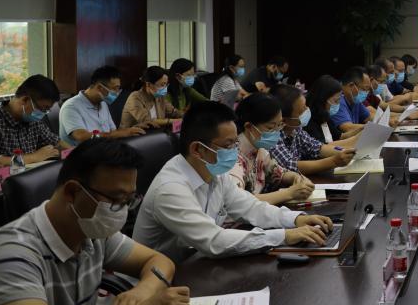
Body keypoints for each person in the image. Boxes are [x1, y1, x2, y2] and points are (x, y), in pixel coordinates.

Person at [0, 139, 190, 305]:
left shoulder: (92, 230)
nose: (122, 211)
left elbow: (159, 261)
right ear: (72, 192)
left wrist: (143, 291)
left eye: (128, 200)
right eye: (116, 200)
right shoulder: (13, 251)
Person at [133, 101, 333, 263]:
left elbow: (250, 207)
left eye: (236, 143)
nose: (234, 151)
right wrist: (285, 236)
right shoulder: (170, 189)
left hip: (196, 264)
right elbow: (214, 240)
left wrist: (295, 219)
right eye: (228, 145)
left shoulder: (213, 171)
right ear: (197, 149)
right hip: (159, 280)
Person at [231, 93, 314, 205]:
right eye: (270, 127)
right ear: (249, 127)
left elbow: (278, 172)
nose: (276, 132)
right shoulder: (233, 158)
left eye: (279, 125)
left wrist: (296, 178)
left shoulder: (258, 149)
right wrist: (289, 193)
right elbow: (239, 202)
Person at [271, 84, 356, 174]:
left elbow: (317, 147)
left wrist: (345, 152)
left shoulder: (296, 130)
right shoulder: (273, 139)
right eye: (301, 111)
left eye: (305, 106)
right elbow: (291, 166)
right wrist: (334, 161)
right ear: (284, 120)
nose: (307, 110)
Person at [59, 66, 146, 146]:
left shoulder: (103, 103)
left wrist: (132, 129)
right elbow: (81, 136)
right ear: (100, 87)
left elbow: (112, 132)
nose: (117, 93)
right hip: (82, 154)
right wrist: (116, 134)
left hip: (104, 150)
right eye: (115, 88)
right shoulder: (71, 106)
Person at [0, 74, 65, 166]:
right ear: (25, 100)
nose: (43, 113)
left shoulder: (34, 122)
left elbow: (57, 143)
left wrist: (76, 153)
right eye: (42, 108)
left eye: (47, 110)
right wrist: (33, 157)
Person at [120, 66, 181, 131]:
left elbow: (174, 112)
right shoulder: (135, 97)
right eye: (162, 85)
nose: (165, 88)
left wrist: (186, 116)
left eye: (166, 84)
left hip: (155, 133)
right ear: (148, 84)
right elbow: (148, 121)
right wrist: (174, 121)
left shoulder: (159, 96)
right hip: (132, 135)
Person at [332, 67, 374, 135]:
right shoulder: (338, 101)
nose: (366, 93)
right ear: (351, 85)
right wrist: (374, 128)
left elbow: (369, 118)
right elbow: (348, 128)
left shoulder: (354, 100)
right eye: (364, 89)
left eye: (367, 90)